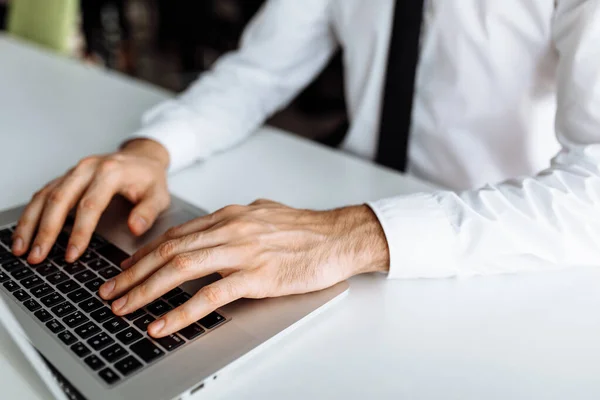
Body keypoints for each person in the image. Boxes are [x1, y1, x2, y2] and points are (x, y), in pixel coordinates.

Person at [10, 0, 600, 339]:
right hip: (353, 212)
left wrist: (353, 234)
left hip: (505, 261)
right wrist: (153, 148)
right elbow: (261, 70)